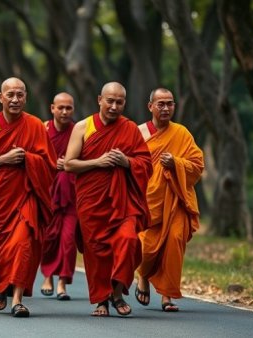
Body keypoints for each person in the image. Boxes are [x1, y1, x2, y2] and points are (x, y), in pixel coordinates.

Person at [0, 77, 57, 317]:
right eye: (11, 95)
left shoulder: (36, 125)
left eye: (20, 94)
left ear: (26, 97)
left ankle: (17, 299)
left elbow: (49, 164)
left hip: (26, 196)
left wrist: (29, 159)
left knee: (23, 244)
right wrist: (2, 160)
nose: (16, 99)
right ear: (1, 97)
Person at [64, 82, 152, 317]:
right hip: (92, 201)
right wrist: (98, 162)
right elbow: (69, 164)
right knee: (96, 253)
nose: (114, 106)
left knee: (129, 241)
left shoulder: (131, 129)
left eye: (119, 102)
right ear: (99, 100)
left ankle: (117, 292)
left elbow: (146, 163)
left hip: (124, 203)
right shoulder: (83, 127)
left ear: (125, 103)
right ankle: (101, 300)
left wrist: (127, 162)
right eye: (110, 101)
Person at [135, 88, 204, 312]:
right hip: (149, 200)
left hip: (176, 200)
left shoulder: (182, 133)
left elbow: (197, 165)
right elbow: (131, 165)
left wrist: (177, 163)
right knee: (145, 249)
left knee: (174, 241)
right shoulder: (139, 133)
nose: (166, 108)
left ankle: (167, 295)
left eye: (170, 104)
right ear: (150, 106)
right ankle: (143, 276)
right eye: (161, 104)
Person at [39, 92, 78, 301]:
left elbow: (87, 158)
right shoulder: (42, 130)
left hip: (72, 194)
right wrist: (53, 163)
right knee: (48, 237)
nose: (64, 112)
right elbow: (34, 157)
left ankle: (63, 281)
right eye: (60, 107)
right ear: (52, 108)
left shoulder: (78, 131)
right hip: (46, 192)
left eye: (68, 108)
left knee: (68, 240)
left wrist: (70, 164)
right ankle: (48, 276)